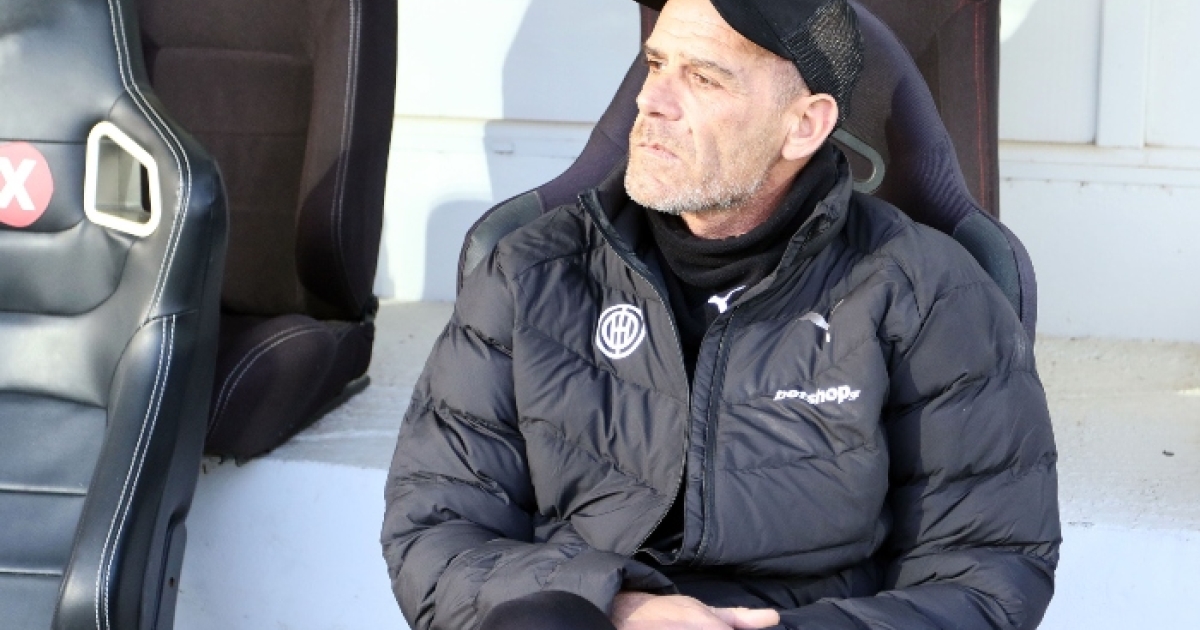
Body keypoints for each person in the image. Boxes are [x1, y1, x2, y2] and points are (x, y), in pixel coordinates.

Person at [381, 0, 1060, 628]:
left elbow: (989, 572)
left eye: (703, 78)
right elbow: (435, 533)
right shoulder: (531, 271)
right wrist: (619, 606)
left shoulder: (927, 289)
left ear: (804, 125)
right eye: (655, 64)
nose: (652, 101)